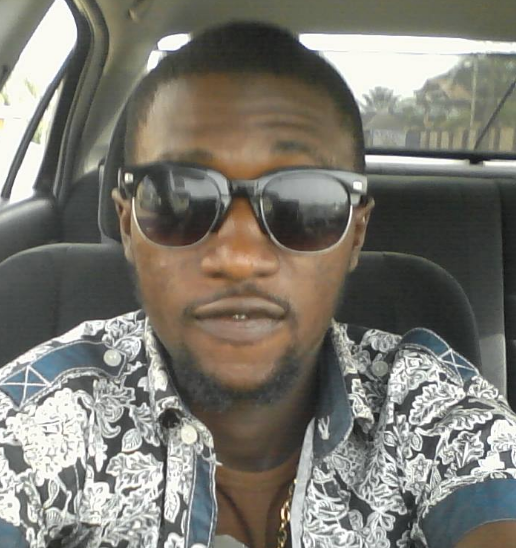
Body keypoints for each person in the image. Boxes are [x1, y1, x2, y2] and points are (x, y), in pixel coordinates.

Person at [0, 21, 516, 548]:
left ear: (355, 235)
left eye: (304, 204)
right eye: (180, 200)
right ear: (128, 226)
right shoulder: (48, 412)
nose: (239, 259)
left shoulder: (423, 399)